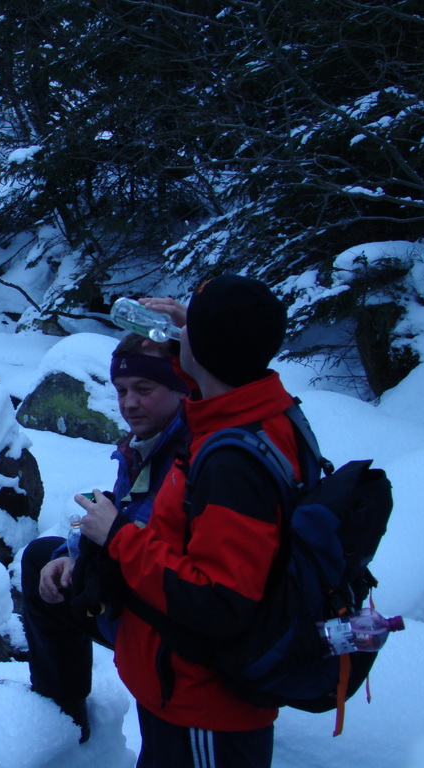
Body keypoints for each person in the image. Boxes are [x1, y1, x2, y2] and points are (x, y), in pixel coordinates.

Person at [77, 274, 296, 768]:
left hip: (204, 701)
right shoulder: (261, 410)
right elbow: (206, 379)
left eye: (189, 330)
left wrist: (117, 537)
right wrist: (188, 331)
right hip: (180, 686)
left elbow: (219, 601)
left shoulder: (231, 461)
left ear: (205, 350)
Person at [20, 327, 190, 743]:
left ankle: (64, 710)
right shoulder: (145, 443)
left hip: (165, 615)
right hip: (136, 585)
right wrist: (72, 554)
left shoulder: (190, 452)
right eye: (121, 390)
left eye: (144, 388)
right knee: (42, 559)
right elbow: (123, 512)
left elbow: (139, 531)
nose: (129, 403)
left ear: (181, 387)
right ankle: (62, 710)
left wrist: (100, 543)